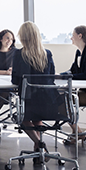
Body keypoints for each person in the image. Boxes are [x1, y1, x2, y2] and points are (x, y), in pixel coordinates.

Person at [11, 21, 56, 152]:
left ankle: (40, 143)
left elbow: (15, 79)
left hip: (29, 99)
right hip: (48, 101)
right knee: (37, 118)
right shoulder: (47, 53)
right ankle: (39, 150)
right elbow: (51, 77)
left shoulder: (19, 54)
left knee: (22, 119)